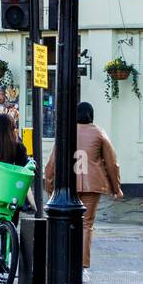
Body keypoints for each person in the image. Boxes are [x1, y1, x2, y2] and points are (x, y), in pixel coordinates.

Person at [43, 102, 123, 273]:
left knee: (64, 223)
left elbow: (51, 164)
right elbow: (112, 163)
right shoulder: (99, 133)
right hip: (91, 185)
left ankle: (64, 260)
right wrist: (116, 188)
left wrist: (49, 185)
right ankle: (82, 265)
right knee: (86, 224)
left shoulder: (66, 132)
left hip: (67, 184)